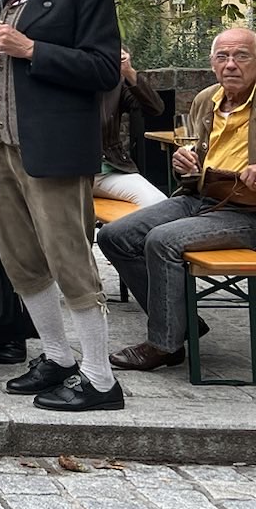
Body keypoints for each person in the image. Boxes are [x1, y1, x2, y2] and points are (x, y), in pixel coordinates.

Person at [0, 0, 123, 412]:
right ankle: (56, 357)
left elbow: (104, 70)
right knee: (21, 261)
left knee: (70, 260)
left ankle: (100, 379)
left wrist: (32, 50)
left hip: (53, 148)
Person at [99, 28, 256, 371]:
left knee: (162, 240)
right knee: (113, 235)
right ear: (212, 64)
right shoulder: (206, 99)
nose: (231, 65)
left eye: (241, 56)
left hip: (246, 212)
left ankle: (165, 344)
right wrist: (184, 161)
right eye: (222, 57)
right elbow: (194, 156)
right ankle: (181, 321)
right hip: (200, 197)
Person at [92, 47, 169, 208]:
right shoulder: (61, 74)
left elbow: (155, 108)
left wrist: (128, 72)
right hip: (67, 174)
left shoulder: (114, 83)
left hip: (108, 170)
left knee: (158, 204)